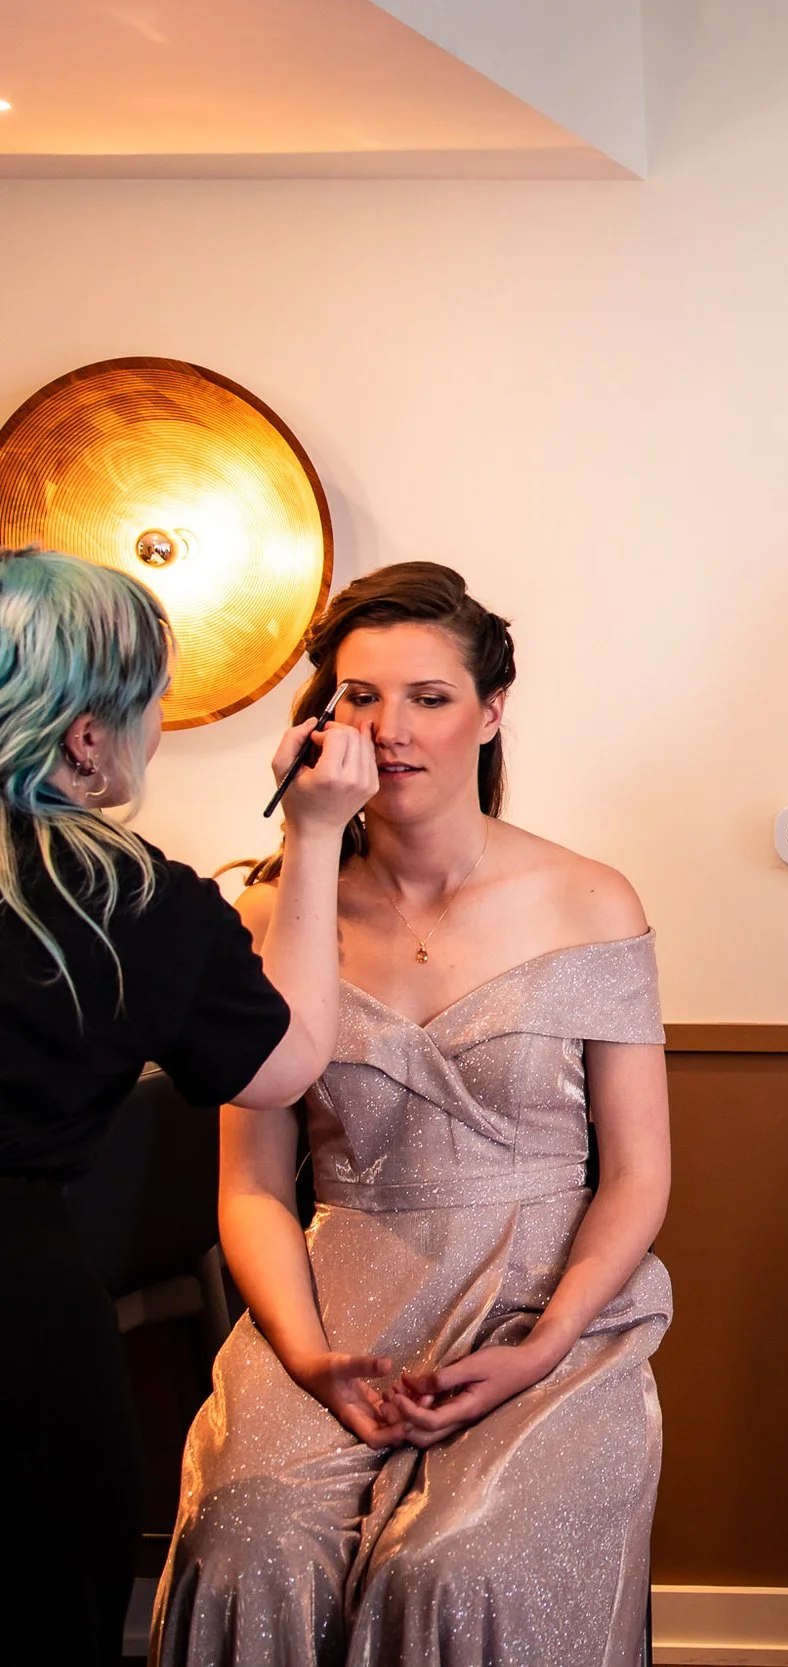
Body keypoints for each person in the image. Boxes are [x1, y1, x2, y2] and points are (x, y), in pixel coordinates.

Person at [155, 562, 672, 1667]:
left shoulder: (590, 898)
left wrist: (542, 1346)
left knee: (456, 1564)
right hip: (336, 1300)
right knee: (246, 1540)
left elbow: (637, 1172)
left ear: (489, 712)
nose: (388, 729)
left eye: (428, 697)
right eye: (360, 696)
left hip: (544, 1299)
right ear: (321, 718)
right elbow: (252, 1183)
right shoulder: (268, 910)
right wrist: (308, 1355)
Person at [0, 548, 373, 1664]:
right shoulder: (115, 893)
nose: (156, 727)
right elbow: (284, 1065)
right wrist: (314, 834)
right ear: (86, 738)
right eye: (153, 703)